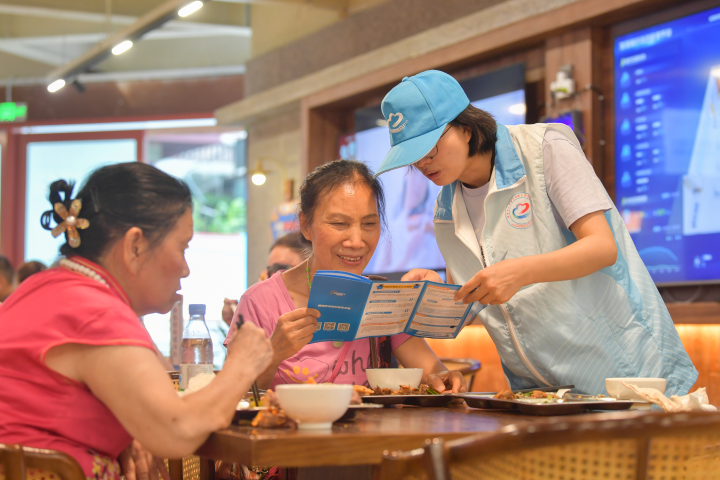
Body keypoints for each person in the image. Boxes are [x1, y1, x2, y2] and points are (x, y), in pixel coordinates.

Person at [375, 70, 697, 396]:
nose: (424, 164)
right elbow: (477, 300)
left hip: (624, 372)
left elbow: (602, 247)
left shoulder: (545, 149)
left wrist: (520, 272)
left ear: (466, 129)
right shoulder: (446, 211)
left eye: (430, 149)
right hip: (539, 391)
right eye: (413, 158)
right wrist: (436, 289)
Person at [0, 163, 273, 480]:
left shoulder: (46, 287)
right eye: (182, 247)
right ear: (135, 245)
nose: (185, 269)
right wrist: (243, 363)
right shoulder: (96, 311)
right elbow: (176, 431)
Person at [224, 160, 467, 393]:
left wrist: (445, 379)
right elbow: (232, 395)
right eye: (340, 223)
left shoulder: (383, 300)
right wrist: (274, 353)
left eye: (369, 224)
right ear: (305, 225)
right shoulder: (259, 301)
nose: (356, 241)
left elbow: (433, 373)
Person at [222, 231, 309, 326]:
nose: (272, 276)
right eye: (269, 269)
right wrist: (240, 323)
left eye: (279, 268)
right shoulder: (257, 301)